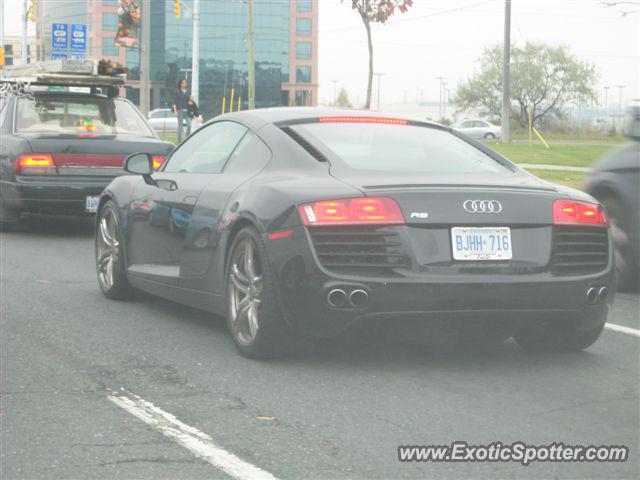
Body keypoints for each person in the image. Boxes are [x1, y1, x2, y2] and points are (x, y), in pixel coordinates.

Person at [172, 78, 193, 142]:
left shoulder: (188, 92)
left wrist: (190, 103)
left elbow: (190, 102)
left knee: (189, 125)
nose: (184, 84)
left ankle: (186, 139)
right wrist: (175, 111)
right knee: (180, 127)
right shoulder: (177, 91)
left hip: (187, 111)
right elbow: (174, 103)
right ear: (180, 84)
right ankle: (179, 141)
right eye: (183, 83)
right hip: (180, 111)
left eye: (185, 83)